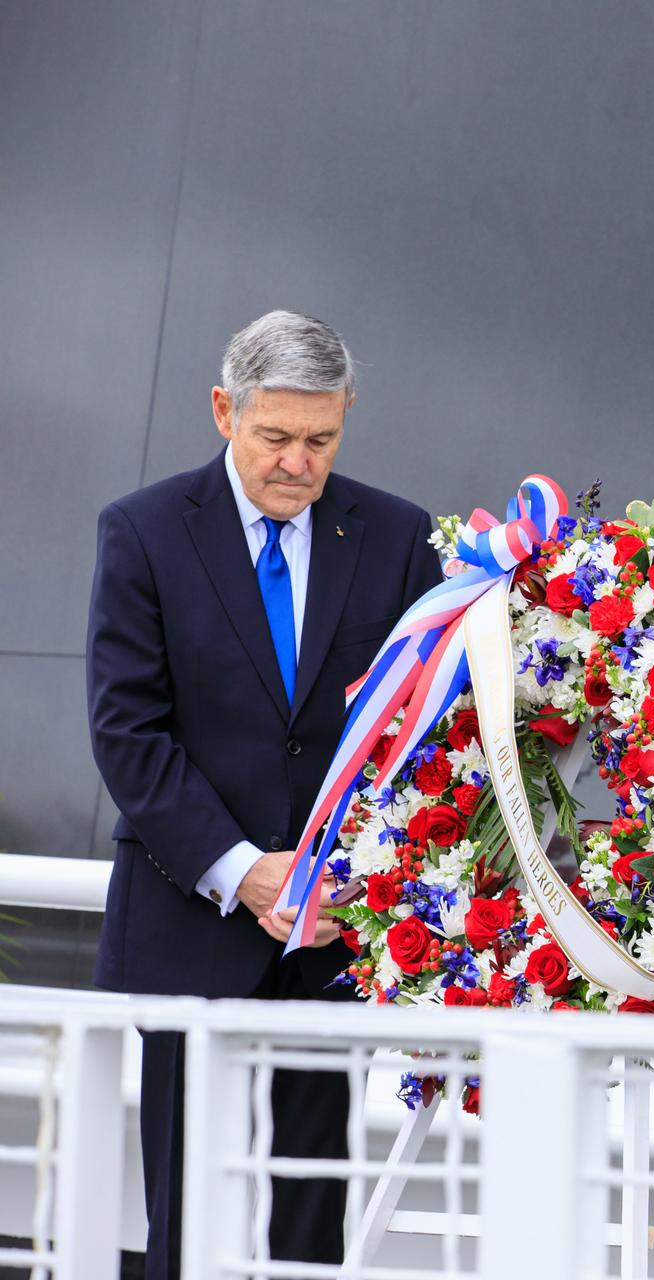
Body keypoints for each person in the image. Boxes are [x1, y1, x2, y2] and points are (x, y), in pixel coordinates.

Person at [87, 311, 442, 1278]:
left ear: (346, 418)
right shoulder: (144, 531)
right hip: (188, 919)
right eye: (275, 437)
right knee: (183, 1209)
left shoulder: (400, 535)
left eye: (320, 439)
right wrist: (244, 872)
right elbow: (127, 732)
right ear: (222, 411)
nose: (298, 462)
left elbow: (417, 737)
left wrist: (347, 874)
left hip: (331, 933)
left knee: (312, 1211)